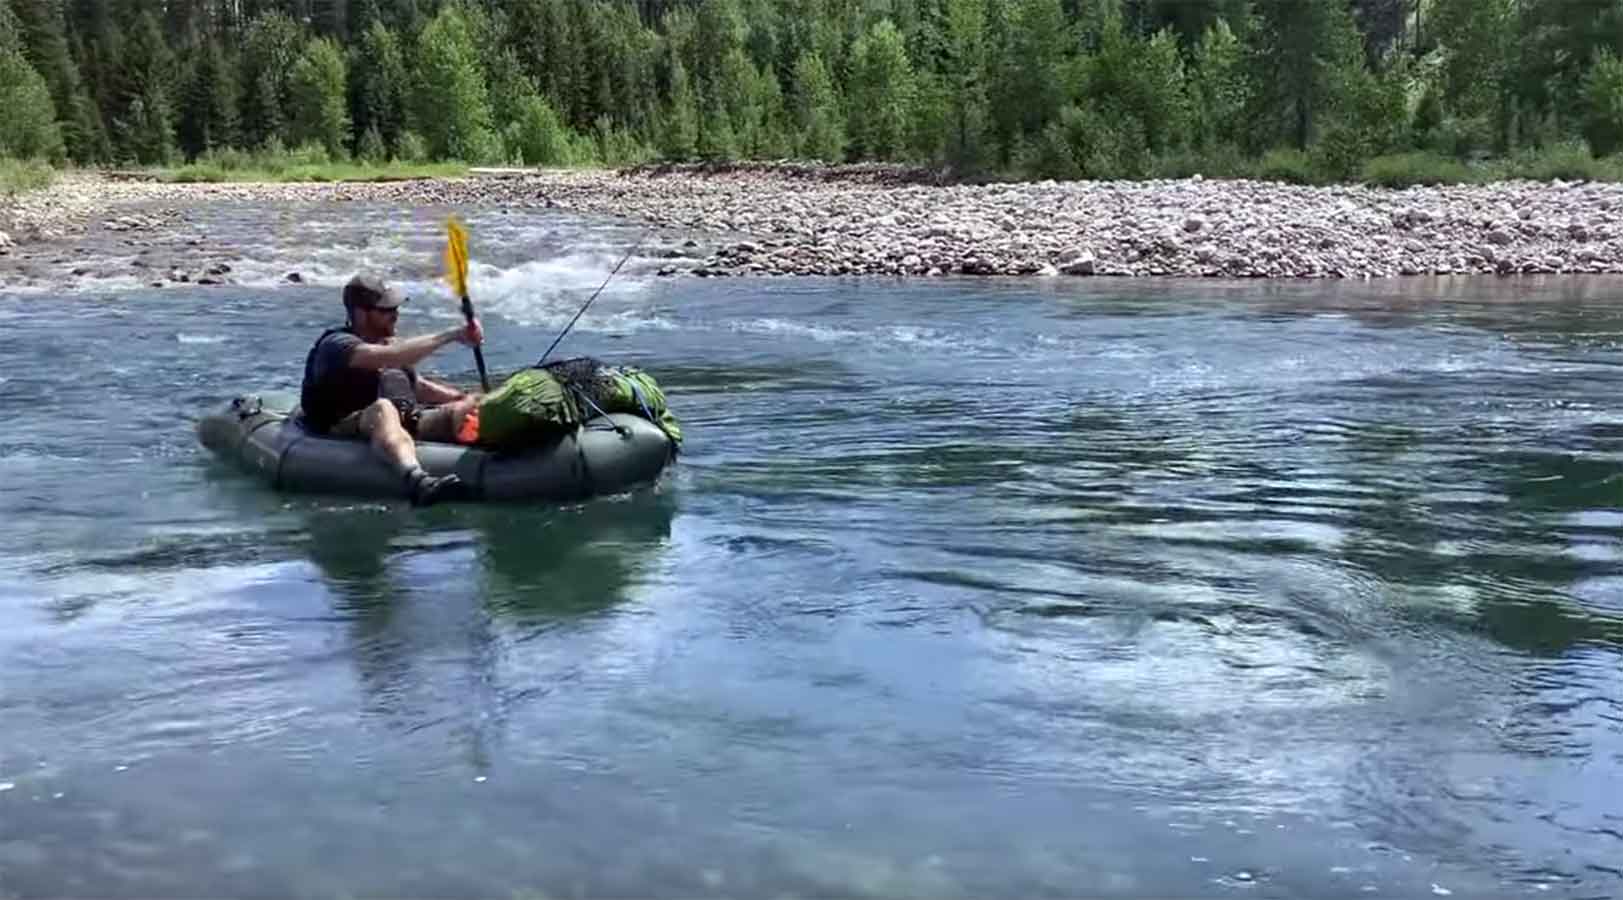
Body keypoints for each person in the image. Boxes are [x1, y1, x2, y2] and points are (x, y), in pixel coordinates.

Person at [299, 273, 485, 506]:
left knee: (469, 405)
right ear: (361, 313)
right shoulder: (337, 345)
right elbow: (389, 357)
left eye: (396, 309)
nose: (395, 315)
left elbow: (418, 386)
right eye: (386, 310)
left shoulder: (388, 342)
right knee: (384, 409)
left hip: (405, 419)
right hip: (346, 425)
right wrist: (453, 335)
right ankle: (418, 481)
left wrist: (464, 399)